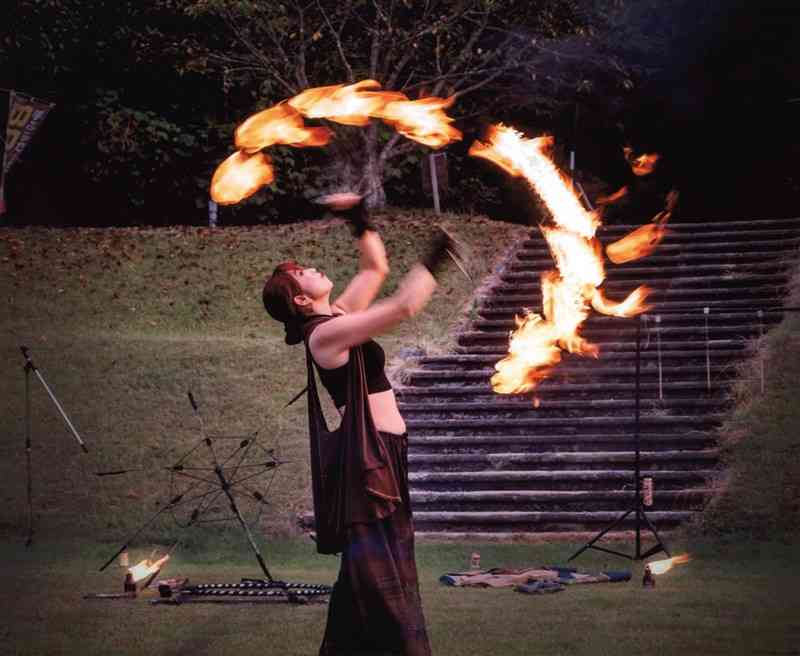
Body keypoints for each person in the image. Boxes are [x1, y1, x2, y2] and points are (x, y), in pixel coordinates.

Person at [262, 193, 460, 656]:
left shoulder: (337, 317)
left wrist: (357, 218)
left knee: (365, 580)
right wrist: (437, 256)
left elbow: (375, 270)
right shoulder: (325, 334)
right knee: (380, 575)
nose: (312, 267)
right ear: (300, 297)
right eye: (303, 272)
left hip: (384, 453)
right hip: (366, 465)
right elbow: (403, 307)